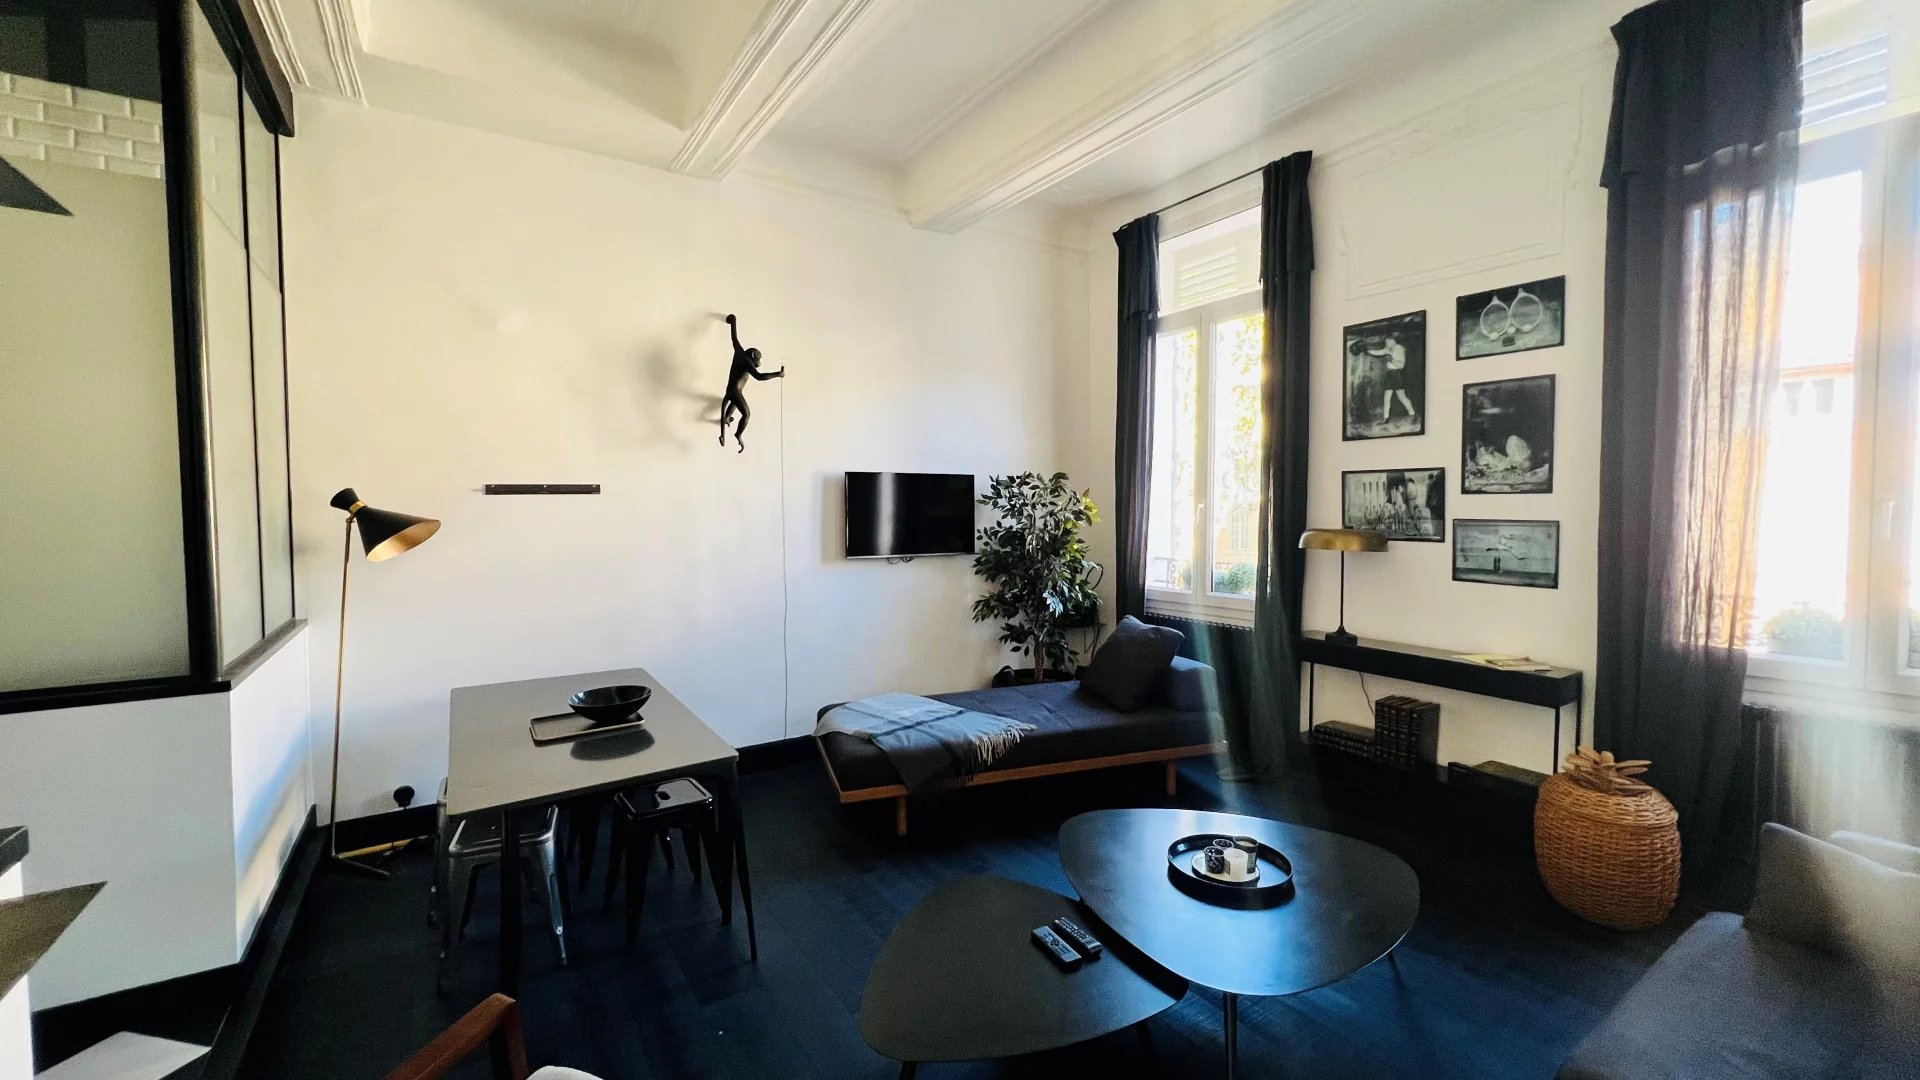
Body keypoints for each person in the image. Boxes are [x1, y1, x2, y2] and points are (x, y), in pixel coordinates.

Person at [719, 314, 784, 452]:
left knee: (734, 402)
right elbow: (759, 376)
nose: (758, 363)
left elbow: (734, 339)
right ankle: (738, 434)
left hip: (731, 390)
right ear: (753, 356)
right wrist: (777, 374)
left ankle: (726, 418)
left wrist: (733, 322)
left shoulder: (739, 351)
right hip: (735, 391)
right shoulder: (746, 361)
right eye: (758, 360)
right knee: (747, 414)